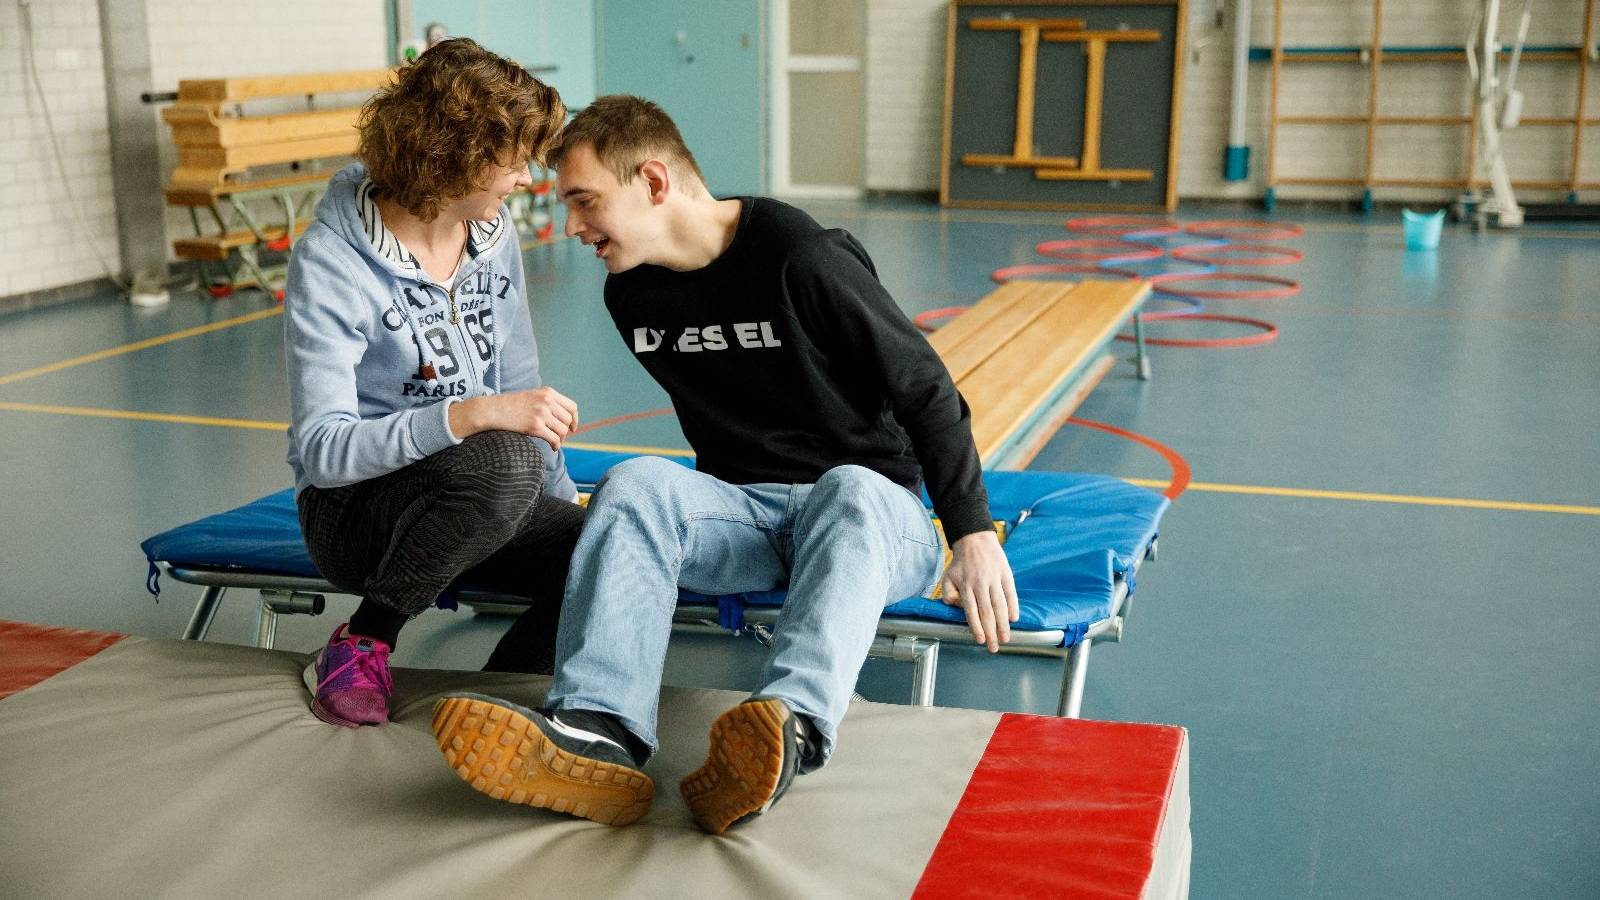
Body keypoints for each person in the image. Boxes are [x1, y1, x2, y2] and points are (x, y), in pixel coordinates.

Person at [431, 96, 1018, 832]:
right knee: (636, 481)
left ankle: (787, 730)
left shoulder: (801, 256)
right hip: (742, 517)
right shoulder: (630, 294)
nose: (573, 228)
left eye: (585, 203)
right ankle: (597, 733)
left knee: (848, 489)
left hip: (871, 517)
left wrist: (972, 533)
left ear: (652, 181)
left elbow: (925, 387)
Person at [285, 39, 584, 728]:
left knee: (609, 547)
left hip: (479, 490)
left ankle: (493, 703)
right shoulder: (333, 261)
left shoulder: (493, 232)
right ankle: (363, 640)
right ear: (457, 154)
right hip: (355, 514)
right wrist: (471, 413)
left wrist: (562, 513)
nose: (523, 179)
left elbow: (521, 387)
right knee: (501, 458)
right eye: (513, 161)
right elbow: (325, 453)